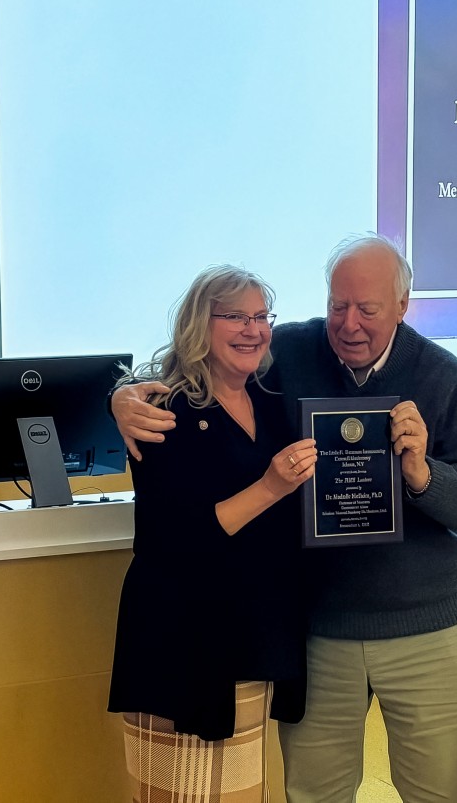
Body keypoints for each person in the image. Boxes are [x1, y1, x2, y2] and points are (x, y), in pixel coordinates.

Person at [113, 234, 457, 802]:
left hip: (427, 629)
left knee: (438, 794)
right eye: (337, 306)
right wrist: (119, 397)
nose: (349, 324)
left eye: (367, 309)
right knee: (314, 795)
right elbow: (196, 365)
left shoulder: (442, 375)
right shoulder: (285, 356)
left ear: (402, 304)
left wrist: (422, 474)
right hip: (319, 632)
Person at [106, 264, 319, 803]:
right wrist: (271, 486)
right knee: (181, 793)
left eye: (260, 317)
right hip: (184, 640)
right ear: (200, 324)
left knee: (244, 789)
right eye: (235, 317)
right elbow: (175, 538)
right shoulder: (163, 410)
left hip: (254, 634)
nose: (253, 329)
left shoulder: (272, 403)